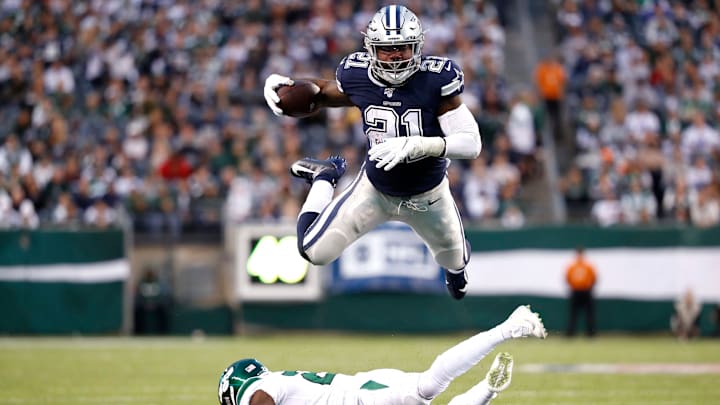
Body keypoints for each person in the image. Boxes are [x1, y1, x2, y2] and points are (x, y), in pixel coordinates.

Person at [263, 5, 482, 300]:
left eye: (402, 48)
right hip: (375, 189)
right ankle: (324, 177)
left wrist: (421, 144)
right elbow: (323, 91)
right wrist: (285, 84)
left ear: (416, 47)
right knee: (312, 250)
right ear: (371, 49)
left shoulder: (435, 80)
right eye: (386, 49)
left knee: (455, 263)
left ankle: (455, 269)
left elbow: (471, 143)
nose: (394, 57)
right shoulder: (358, 75)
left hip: (427, 196)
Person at [217, 305, 547, 405]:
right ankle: (489, 386)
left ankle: (507, 330)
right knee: (428, 386)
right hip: (368, 386)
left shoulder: (260, 389)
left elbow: (259, 399)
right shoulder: (278, 380)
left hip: (362, 399)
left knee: (429, 387)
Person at [565, 246, 597, 337]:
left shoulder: (588, 266)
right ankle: (570, 334)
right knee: (573, 315)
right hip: (576, 291)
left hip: (586, 291)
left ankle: (591, 334)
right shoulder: (572, 266)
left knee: (589, 314)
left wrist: (588, 287)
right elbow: (568, 278)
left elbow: (594, 278)